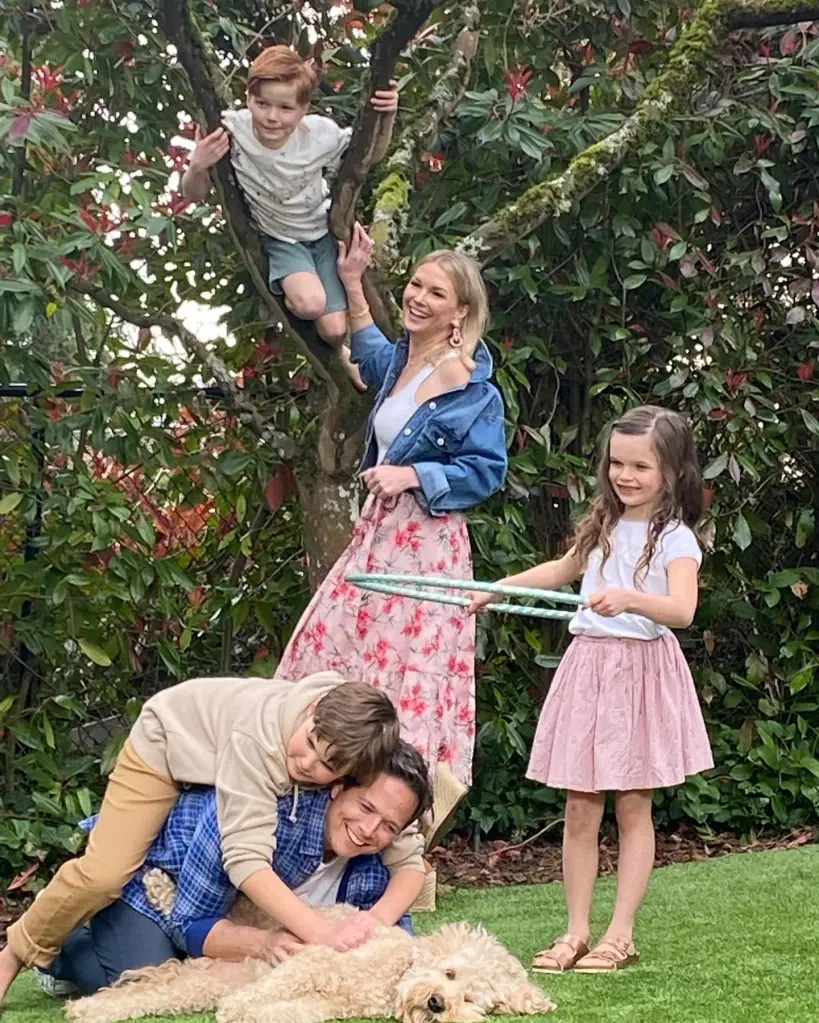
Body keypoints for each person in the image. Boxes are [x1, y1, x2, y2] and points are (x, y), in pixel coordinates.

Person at [275, 224, 508, 834]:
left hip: (426, 547)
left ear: (461, 312)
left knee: (406, 679)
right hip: (378, 535)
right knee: (334, 654)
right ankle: (312, 807)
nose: (418, 298)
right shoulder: (405, 361)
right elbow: (371, 351)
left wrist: (412, 475)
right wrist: (351, 281)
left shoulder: (469, 384)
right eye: (414, 285)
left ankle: (400, 832)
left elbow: (486, 471)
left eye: (435, 293)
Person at [469, 405, 713, 972]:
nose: (624, 476)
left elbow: (681, 609)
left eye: (640, 467)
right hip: (589, 668)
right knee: (580, 808)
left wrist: (629, 598)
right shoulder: (603, 524)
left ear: (672, 472)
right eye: (616, 464)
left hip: (640, 672)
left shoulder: (676, 538)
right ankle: (576, 932)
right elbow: (559, 571)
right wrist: (496, 588)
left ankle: (619, 934)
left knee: (632, 807)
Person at [0, 671, 400, 1005]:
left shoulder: (352, 729)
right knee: (106, 872)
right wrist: (320, 933)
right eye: (310, 742)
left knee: (160, 961)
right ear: (313, 710)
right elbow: (245, 861)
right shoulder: (258, 742)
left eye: (327, 764)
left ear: (349, 773)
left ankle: (114, 929)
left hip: (211, 769)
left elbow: (405, 828)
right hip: (166, 749)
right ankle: (17, 951)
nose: (307, 763)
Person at [38, 742, 432, 995]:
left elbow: (392, 938)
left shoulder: (376, 861)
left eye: (388, 827)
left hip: (216, 916)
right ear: (338, 786)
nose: (368, 831)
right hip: (153, 877)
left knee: (208, 974)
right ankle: (61, 939)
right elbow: (191, 922)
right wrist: (263, 943)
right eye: (365, 808)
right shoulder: (267, 812)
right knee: (143, 976)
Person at [181, 45, 399, 389]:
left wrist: (387, 116)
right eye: (262, 103)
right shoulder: (231, 130)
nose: (272, 117)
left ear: (303, 110)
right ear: (248, 97)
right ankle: (298, 294)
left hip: (320, 231)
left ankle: (345, 348)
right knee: (311, 304)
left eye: (285, 108)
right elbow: (193, 194)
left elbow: (370, 157)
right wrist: (198, 164)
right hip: (280, 238)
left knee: (334, 329)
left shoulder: (319, 135)